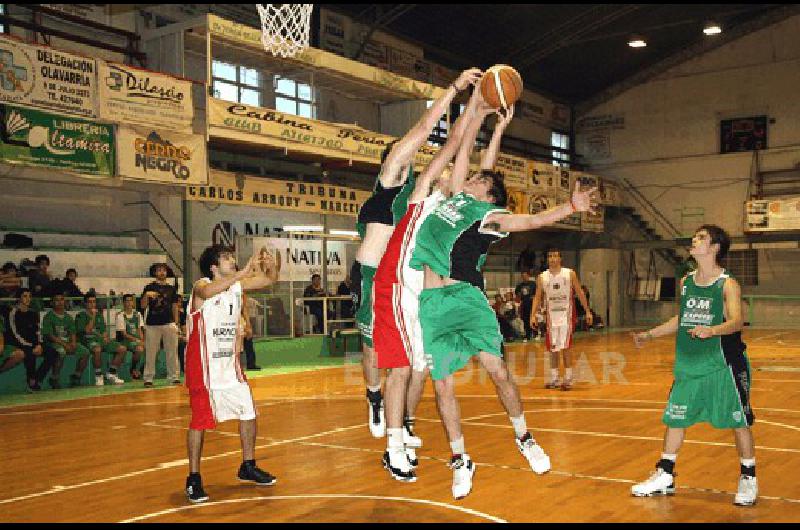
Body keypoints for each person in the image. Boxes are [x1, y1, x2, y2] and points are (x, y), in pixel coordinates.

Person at [409, 101, 599, 497]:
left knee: (497, 371)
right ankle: (460, 459)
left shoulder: (488, 214)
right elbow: (480, 161)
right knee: (442, 386)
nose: (472, 176)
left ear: (487, 193)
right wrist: (495, 127)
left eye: (479, 179)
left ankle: (524, 437)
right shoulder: (455, 198)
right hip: (432, 305)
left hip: (467, 298)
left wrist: (570, 207)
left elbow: (528, 219)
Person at [373, 78, 502, 482]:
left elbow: (483, 174)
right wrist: (474, 108)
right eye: (453, 177)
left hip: (418, 293)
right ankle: (393, 445)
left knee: (419, 367)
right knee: (398, 368)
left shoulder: (456, 210)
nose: (456, 178)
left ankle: (403, 424)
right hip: (396, 281)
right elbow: (453, 149)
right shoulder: (423, 194)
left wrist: (484, 120)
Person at [351, 67, 483, 440]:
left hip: (403, 279)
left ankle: (402, 422)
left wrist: (474, 107)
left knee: (412, 362)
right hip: (371, 272)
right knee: (373, 346)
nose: (408, 152)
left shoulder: (418, 191)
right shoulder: (390, 176)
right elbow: (426, 130)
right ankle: (374, 396)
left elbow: (454, 148)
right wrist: (455, 89)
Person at [630, 225, 757, 506]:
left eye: (701, 238)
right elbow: (682, 318)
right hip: (688, 365)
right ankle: (665, 474)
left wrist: (711, 330)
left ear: (714, 248)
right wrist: (649, 335)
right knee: (675, 418)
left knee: (738, 423)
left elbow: (737, 321)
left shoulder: (727, 284)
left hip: (723, 364)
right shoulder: (686, 281)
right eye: (695, 237)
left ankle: (748, 478)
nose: (694, 240)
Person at [184, 244, 281, 504]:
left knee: (249, 412)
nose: (233, 260)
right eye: (226, 258)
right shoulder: (201, 286)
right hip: (203, 368)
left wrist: (273, 263)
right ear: (213, 267)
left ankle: (247, 465)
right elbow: (208, 290)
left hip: (230, 367)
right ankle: (193, 477)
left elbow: (269, 279)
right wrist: (243, 273)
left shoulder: (236, 286)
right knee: (200, 421)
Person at [529, 248, 592, 391]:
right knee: (552, 347)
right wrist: (532, 315)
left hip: (566, 315)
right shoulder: (542, 277)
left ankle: (568, 378)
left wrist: (587, 311)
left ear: (560, 258)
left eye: (555, 256)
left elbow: (580, 293)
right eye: (550, 256)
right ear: (547, 259)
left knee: (566, 346)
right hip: (551, 316)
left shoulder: (569, 274)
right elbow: (538, 297)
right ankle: (554, 378)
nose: (552, 259)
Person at [4, 289, 56, 391]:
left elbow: (38, 332)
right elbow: (15, 334)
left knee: (53, 353)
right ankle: (31, 381)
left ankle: (37, 379)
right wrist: (32, 346)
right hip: (18, 343)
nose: (28, 299)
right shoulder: (12, 313)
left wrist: (39, 344)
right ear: (19, 298)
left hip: (33, 343)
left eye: (29, 296)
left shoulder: (33, 313)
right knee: (30, 354)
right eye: (25, 296)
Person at [141, 263, 180, 387]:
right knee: (151, 352)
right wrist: (146, 296)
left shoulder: (171, 289)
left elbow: (175, 306)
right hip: (152, 324)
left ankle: (173, 377)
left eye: (163, 270)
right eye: (159, 270)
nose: (162, 272)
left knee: (172, 351)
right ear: (155, 273)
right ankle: (148, 378)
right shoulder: (149, 287)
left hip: (169, 323)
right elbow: (142, 306)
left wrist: (176, 322)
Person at [75, 292, 126, 386]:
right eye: (90, 302)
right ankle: (98, 376)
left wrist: (106, 337)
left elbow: (104, 331)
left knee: (122, 349)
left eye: (94, 302)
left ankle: (111, 373)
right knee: (97, 349)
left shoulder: (99, 315)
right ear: (85, 304)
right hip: (87, 341)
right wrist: (93, 316)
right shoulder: (80, 315)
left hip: (100, 340)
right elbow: (87, 330)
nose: (92, 304)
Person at [43, 293, 91, 389]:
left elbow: (73, 332)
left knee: (85, 352)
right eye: (57, 300)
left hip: (68, 342)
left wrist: (73, 343)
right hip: (54, 343)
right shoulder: (48, 317)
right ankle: (54, 378)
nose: (60, 302)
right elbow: (50, 335)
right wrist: (65, 344)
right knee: (61, 352)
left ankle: (76, 376)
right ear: (52, 303)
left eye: (62, 299)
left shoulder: (68, 317)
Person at [113, 294, 145, 380]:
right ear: (123, 303)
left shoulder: (137, 314)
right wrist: (138, 340)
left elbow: (139, 329)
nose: (129, 303)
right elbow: (124, 334)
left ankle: (142, 370)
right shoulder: (120, 315)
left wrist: (143, 339)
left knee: (152, 347)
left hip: (136, 339)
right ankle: (133, 369)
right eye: (127, 301)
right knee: (139, 349)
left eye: (131, 300)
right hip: (125, 340)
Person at [514, 271, 537, 341]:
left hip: (532, 303)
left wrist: (534, 297)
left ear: (528, 276)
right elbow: (517, 294)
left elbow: (538, 293)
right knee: (525, 319)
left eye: (525, 275)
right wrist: (519, 296)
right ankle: (527, 335)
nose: (524, 277)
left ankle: (535, 333)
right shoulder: (520, 285)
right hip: (524, 304)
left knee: (533, 318)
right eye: (523, 276)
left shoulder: (533, 284)